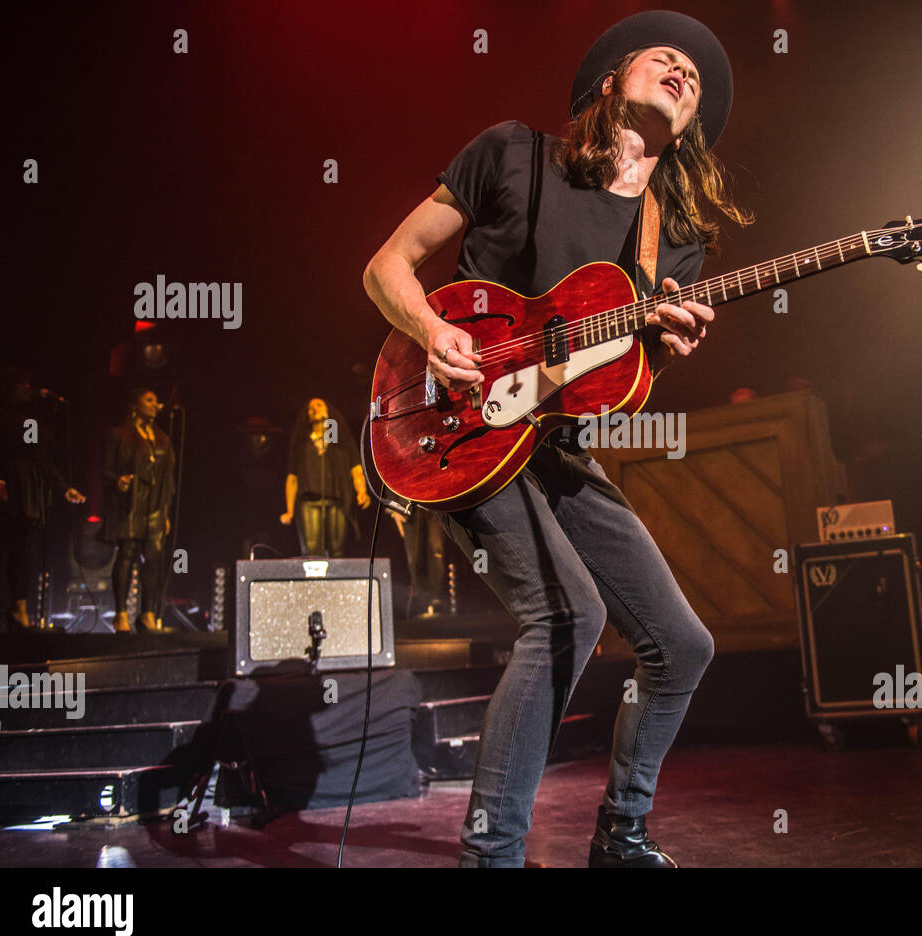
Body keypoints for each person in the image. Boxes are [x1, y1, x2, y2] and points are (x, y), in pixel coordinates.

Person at [363, 10, 751, 866]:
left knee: (682, 644)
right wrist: (431, 329)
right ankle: (492, 852)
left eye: (696, 76)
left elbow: (612, 384)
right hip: (454, 421)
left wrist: (663, 346)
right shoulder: (511, 153)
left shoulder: (669, 240)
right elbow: (386, 265)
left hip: (554, 438)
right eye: (665, 58)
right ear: (610, 79)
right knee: (570, 612)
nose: (685, 71)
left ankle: (620, 835)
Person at [0, 367, 85, 631]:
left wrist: (64, 487)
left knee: (23, 551)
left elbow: (41, 460)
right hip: (3, 486)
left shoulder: (33, 419)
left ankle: (19, 606)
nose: (26, 389)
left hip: (28, 491)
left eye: (30, 384)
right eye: (21, 384)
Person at [102, 388, 175, 633]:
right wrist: (117, 481)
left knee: (154, 560)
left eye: (156, 400)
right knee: (127, 555)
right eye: (149, 400)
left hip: (154, 506)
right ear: (136, 404)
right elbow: (106, 469)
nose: (155, 405)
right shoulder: (120, 434)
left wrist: (165, 512)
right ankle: (121, 614)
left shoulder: (163, 438)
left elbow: (169, 479)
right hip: (131, 504)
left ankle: (148, 614)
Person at [280, 397, 371, 557]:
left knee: (337, 550)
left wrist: (361, 491)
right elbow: (292, 478)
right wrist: (289, 510)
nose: (314, 409)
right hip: (309, 500)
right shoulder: (302, 442)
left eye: (319, 405)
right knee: (312, 550)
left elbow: (355, 467)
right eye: (310, 407)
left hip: (336, 500)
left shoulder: (336, 438)